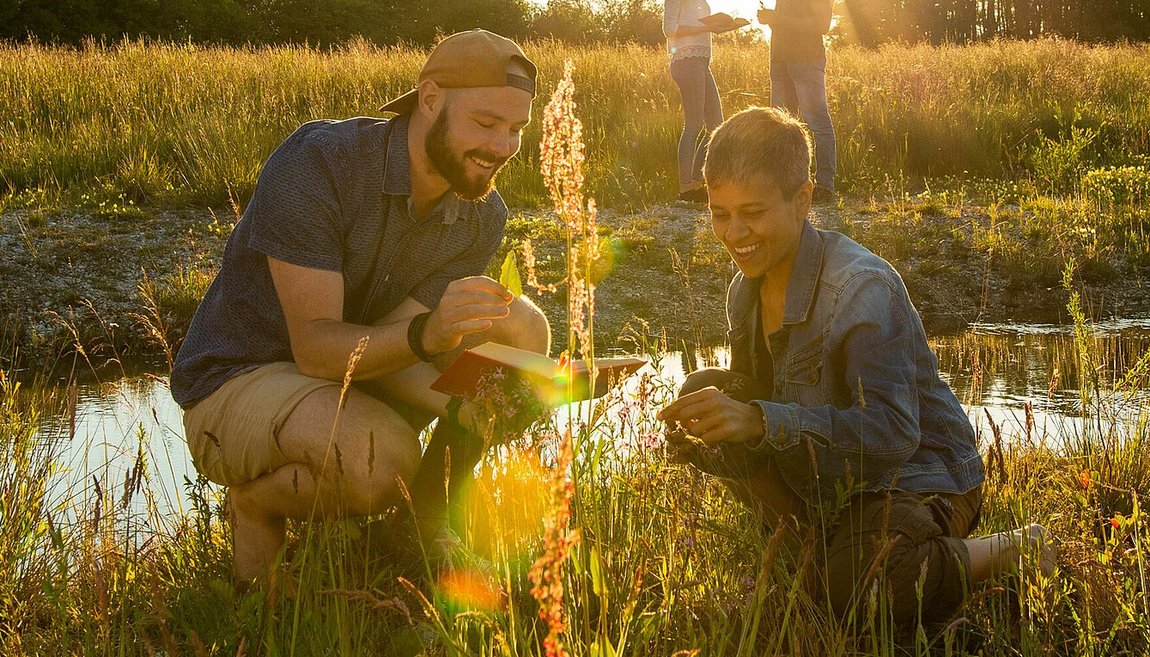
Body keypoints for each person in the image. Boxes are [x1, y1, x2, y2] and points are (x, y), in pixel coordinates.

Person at [170, 29, 551, 583]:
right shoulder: (319, 163)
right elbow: (319, 351)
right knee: (380, 461)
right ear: (430, 99)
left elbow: (386, 341)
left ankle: (424, 517)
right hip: (242, 375)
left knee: (522, 332)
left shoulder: (481, 213)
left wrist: (472, 408)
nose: (502, 147)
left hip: (353, 371)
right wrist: (430, 335)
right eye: (486, 123)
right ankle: (255, 506)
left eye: (516, 129)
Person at [657, 107, 1055, 625]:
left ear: (802, 200)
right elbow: (756, 405)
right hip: (833, 480)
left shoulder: (861, 288)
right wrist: (711, 437)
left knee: (861, 588)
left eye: (752, 211)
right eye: (719, 213)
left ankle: (1012, 550)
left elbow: (893, 434)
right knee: (707, 388)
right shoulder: (744, 289)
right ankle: (812, 544)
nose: (734, 233)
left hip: (919, 476)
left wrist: (760, 420)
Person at [758, 0, 837, 202]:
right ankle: (786, 184)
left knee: (818, 123)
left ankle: (824, 186)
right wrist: (770, 19)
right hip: (779, 60)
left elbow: (821, 25)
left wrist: (778, 19)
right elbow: (787, 22)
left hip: (806, 60)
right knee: (779, 127)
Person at [664, 0, 725, 204]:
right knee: (693, 125)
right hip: (685, 60)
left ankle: (697, 183)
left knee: (716, 125)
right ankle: (686, 189)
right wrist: (707, 27)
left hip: (701, 61)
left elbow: (701, 24)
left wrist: (721, 26)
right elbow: (669, 29)